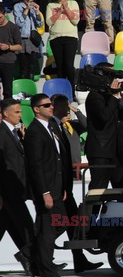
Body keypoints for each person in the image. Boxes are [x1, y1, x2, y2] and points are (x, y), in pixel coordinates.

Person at [50, 94, 103, 273]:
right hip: (61, 179)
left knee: (72, 223)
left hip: (70, 176)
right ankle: (36, 255)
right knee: (61, 224)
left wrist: (76, 110)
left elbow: (87, 125)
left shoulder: (71, 126)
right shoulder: (54, 127)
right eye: (64, 105)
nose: (67, 109)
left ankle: (79, 260)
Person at [24, 94, 67, 277]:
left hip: (56, 188)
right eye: (47, 105)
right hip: (46, 190)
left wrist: (62, 186)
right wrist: (44, 192)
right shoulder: (34, 131)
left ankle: (31, 255)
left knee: (61, 223)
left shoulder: (50, 127)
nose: (51, 107)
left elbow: (57, 159)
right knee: (48, 231)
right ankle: (46, 269)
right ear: (36, 109)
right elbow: (36, 165)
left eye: (51, 104)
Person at [0, 99, 36, 276]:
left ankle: (29, 261)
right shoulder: (1, 132)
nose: (21, 115)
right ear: (6, 113)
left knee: (13, 229)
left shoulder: (15, 132)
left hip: (17, 189)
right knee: (27, 227)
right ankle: (33, 259)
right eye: (17, 112)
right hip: (8, 191)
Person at [85, 63, 123, 190]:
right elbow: (103, 117)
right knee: (98, 187)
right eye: (110, 75)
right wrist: (114, 96)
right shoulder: (95, 96)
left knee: (121, 184)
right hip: (100, 151)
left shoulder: (108, 96)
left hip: (113, 150)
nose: (113, 79)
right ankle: (92, 210)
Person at [46, 0, 80, 94]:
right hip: (56, 38)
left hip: (70, 37)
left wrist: (66, 8)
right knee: (60, 66)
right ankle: (61, 92)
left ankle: (71, 91)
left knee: (69, 65)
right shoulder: (51, 5)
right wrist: (60, 10)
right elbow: (49, 22)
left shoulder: (73, 3)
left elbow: (75, 20)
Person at [13, 0, 44, 80]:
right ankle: (22, 89)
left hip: (32, 39)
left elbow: (40, 24)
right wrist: (26, 10)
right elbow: (19, 23)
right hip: (22, 38)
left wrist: (37, 12)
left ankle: (30, 89)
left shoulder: (34, 7)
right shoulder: (17, 6)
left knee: (31, 67)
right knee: (23, 67)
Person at [52, 95, 87, 164]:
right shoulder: (52, 125)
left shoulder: (73, 125)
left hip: (76, 164)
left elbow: (86, 125)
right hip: (62, 165)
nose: (66, 109)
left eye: (66, 105)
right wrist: (60, 122)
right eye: (62, 105)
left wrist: (77, 111)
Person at [0, 5, 22, 99]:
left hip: (8, 62)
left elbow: (19, 46)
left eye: (0, 17)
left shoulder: (13, 27)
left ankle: (7, 110)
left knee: (7, 90)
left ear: (5, 14)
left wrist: (8, 47)